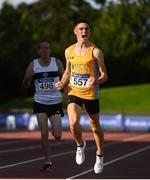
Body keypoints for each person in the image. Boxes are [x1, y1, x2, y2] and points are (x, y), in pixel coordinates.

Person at [55, 20, 108, 174]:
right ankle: (80, 145)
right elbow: (68, 71)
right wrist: (62, 81)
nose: (84, 31)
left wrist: (96, 80)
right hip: (74, 91)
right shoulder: (68, 51)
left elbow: (105, 75)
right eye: (81, 29)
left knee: (95, 127)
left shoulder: (95, 51)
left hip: (91, 93)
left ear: (89, 32)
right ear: (75, 32)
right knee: (73, 123)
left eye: (87, 29)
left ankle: (99, 155)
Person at [23, 39, 64, 171]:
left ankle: (55, 132)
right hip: (40, 102)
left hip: (55, 102)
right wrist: (28, 78)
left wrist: (65, 91)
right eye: (42, 48)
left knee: (57, 135)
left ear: (50, 50)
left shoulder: (57, 63)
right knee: (44, 133)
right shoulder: (33, 64)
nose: (45, 50)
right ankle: (48, 162)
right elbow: (25, 85)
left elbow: (66, 81)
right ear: (38, 50)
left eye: (47, 48)